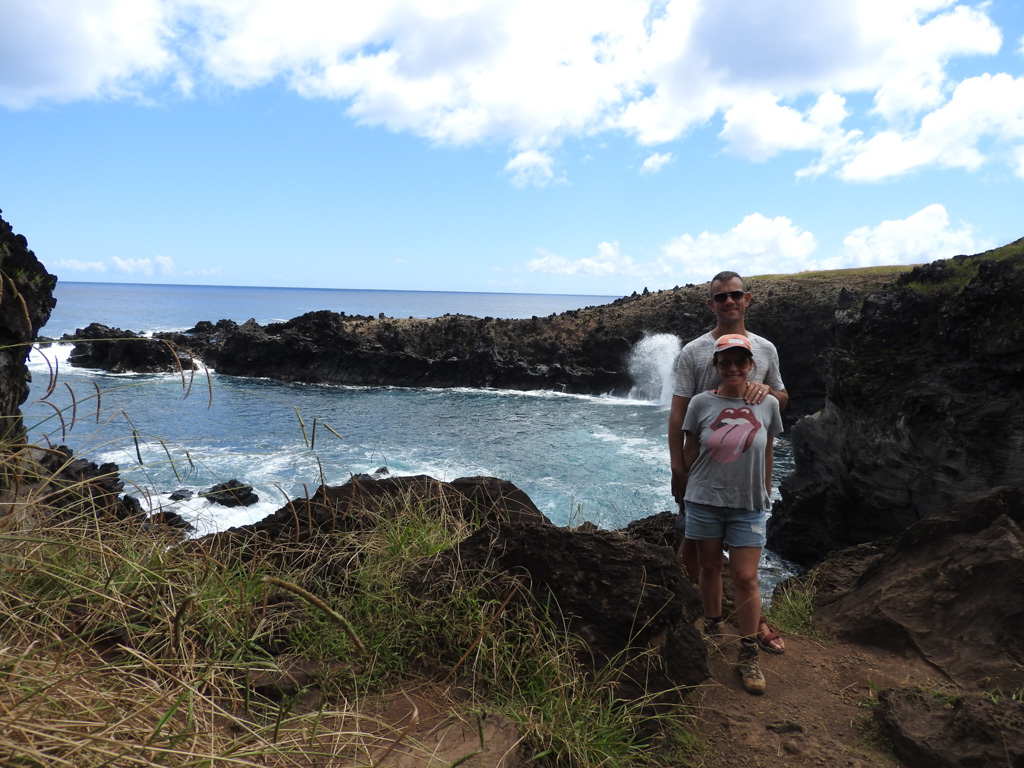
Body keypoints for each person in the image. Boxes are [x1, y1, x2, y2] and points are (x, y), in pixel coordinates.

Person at [668, 271, 787, 654]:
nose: (729, 302)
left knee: (743, 569)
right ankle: (696, 617)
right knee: (692, 549)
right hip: (704, 473)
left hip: (745, 479)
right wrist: (677, 469)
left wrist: (767, 390)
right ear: (712, 304)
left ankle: (753, 623)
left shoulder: (765, 350)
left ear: (747, 298)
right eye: (721, 297)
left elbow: (779, 401)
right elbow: (680, 416)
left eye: (735, 295)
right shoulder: (694, 351)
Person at [681, 333, 783, 694]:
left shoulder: (768, 404)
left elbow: (767, 451)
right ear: (716, 366)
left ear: (751, 364)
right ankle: (711, 628)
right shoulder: (700, 403)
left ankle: (748, 651)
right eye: (726, 362)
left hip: (748, 504)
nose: (734, 367)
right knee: (709, 568)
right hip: (705, 500)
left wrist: (765, 492)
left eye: (741, 361)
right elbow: (689, 450)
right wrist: (692, 490)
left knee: (745, 577)